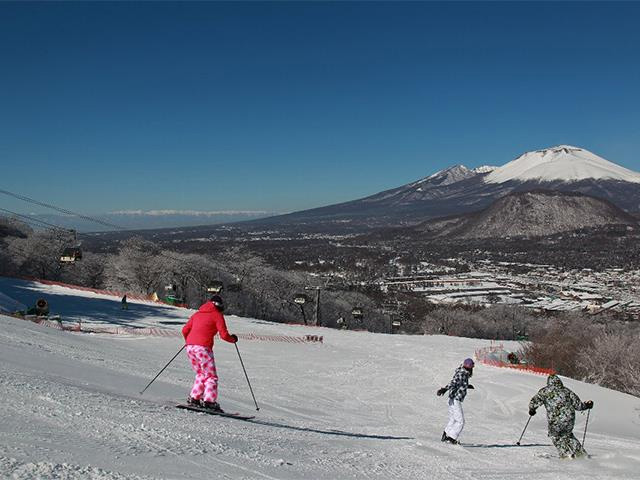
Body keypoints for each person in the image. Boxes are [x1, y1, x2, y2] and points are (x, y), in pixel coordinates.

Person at [181, 295, 238, 412]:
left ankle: (194, 398)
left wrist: (190, 341)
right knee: (211, 376)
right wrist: (233, 339)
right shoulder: (217, 315)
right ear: (220, 306)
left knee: (200, 374)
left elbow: (184, 330)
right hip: (203, 348)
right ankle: (209, 401)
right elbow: (224, 335)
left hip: (190, 347)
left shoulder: (197, 314)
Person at [529, 374, 593, 458]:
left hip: (555, 420)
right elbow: (578, 406)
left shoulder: (544, 391)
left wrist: (532, 410)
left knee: (555, 436)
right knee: (567, 435)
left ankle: (566, 454)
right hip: (569, 419)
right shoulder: (567, 391)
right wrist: (587, 405)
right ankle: (581, 454)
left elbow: (534, 401)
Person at [437, 358, 475, 444]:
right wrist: (444, 389)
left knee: (453, 419)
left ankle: (446, 435)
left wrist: (467, 385)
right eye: (472, 368)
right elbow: (453, 382)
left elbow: (458, 383)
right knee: (460, 421)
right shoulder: (462, 374)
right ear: (469, 368)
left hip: (452, 399)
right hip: (455, 399)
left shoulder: (462, 373)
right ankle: (451, 438)